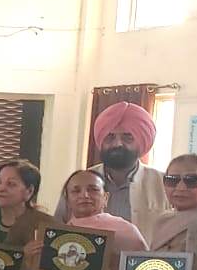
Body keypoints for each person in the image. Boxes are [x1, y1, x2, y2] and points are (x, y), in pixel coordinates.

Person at [55, 101, 170, 240]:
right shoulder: (80, 181)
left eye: (127, 137)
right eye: (110, 137)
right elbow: (57, 229)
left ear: (141, 141)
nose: (117, 144)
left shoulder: (164, 183)